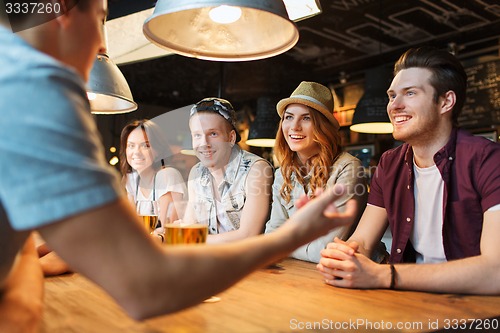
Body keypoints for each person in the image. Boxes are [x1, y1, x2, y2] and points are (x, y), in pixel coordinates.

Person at [0, 0, 358, 323]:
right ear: (61, 11)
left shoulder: (14, 77)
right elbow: (149, 287)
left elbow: (41, 249)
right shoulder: (36, 89)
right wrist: (293, 235)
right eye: (101, 19)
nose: (103, 46)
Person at [317, 46, 500, 295]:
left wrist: (384, 274)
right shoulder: (389, 163)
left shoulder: (488, 160)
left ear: (446, 101)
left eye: (410, 93)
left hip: (475, 310)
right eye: (392, 96)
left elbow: (495, 272)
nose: (394, 106)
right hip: (409, 302)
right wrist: (344, 256)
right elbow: (363, 241)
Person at [264, 81, 368, 263]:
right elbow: (271, 236)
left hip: (349, 275)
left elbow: (325, 249)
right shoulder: (282, 173)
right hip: (299, 273)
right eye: (288, 117)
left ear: (324, 127)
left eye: (306, 118)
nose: (294, 126)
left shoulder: (348, 168)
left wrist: (283, 246)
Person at [185, 97, 274, 243]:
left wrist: (194, 239)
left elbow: (249, 236)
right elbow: (188, 227)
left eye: (213, 134)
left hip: (251, 263)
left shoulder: (256, 169)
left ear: (231, 138)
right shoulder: (196, 172)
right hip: (208, 261)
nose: (204, 143)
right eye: (197, 135)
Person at [119, 119, 187, 228]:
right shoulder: (131, 179)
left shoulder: (167, 176)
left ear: (158, 151)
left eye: (145, 146)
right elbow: (130, 225)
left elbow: (165, 228)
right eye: (131, 146)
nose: (136, 152)